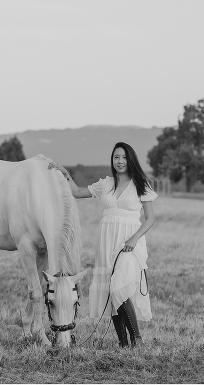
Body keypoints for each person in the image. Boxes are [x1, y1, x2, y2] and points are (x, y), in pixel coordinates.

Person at [49, 142, 157, 348]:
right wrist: (65, 174)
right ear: (112, 160)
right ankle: (123, 343)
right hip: (107, 241)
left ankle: (137, 340)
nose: (120, 161)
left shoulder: (142, 184)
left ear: (131, 159)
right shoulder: (106, 183)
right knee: (110, 291)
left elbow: (150, 219)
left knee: (119, 288)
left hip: (130, 242)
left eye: (124, 157)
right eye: (116, 157)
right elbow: (78, 192)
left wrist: (134, 239)